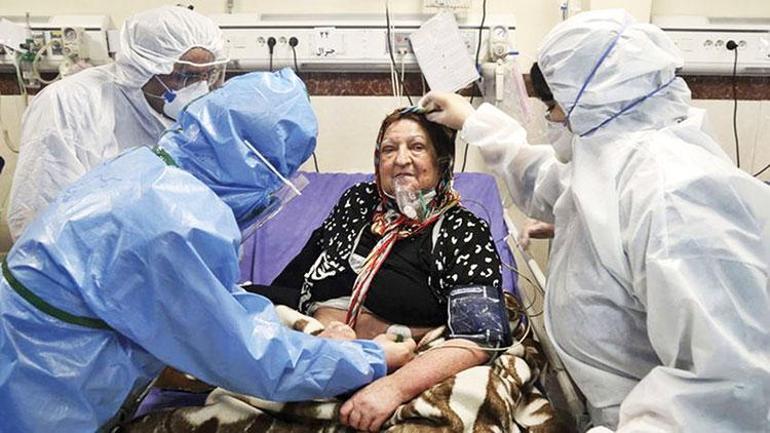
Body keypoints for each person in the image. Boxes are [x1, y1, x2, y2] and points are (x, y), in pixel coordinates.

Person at [0, 70, 415, 433]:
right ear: (254, 163)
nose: (403, 161)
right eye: (278, 176)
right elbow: (248, 354)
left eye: (418, 147)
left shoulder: (143, 169)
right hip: (44, 389)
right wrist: (367, 357)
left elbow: (216, 312)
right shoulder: (176, 222)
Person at [419, 9, 770, 433]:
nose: (550, 119)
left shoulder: (675, 196)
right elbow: (549, 182)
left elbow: (731, 390)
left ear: (589, 102)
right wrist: (474, 120)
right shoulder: (615, 158)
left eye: (552, 107)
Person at [247, 108, 514, 431]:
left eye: (417, 147)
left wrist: (393, 388)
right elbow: (301, 276)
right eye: (389, 149)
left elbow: (481, 337)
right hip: (316, 347)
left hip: (402, 365)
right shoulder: (357, 202)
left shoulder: (462, 230)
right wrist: (308, 333)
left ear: (441, 161)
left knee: (467, 403)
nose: (400, 159)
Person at [6, 6, 227, 241]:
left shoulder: (188, 116)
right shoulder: (68, 103)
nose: (198, 87)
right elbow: (40, 215)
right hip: (83, 255)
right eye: (185, 75)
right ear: (146, 67)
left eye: (207, 75)